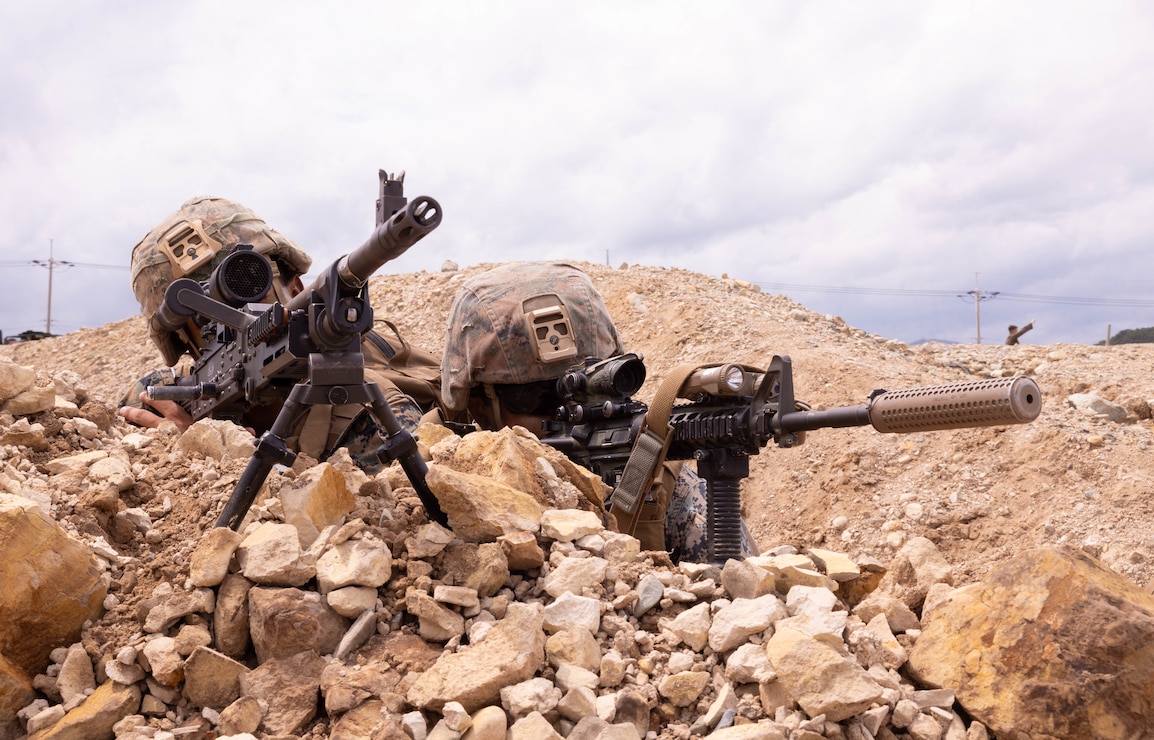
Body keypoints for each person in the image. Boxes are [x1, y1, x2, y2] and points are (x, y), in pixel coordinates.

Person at [439, 260, 759, 563]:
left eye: (587, 390)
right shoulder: (432, 486)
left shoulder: (672, 494)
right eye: (536, 397)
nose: (569, 413)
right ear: (478, 405)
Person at [117, 195, 444, 474]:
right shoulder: (174, 396)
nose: (238, 319)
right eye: (203, 316)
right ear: (184, 342)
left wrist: (224, 460)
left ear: (297, 288)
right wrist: (187, 446)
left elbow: (401, 511)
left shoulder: (362, 404)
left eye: (251, 289)